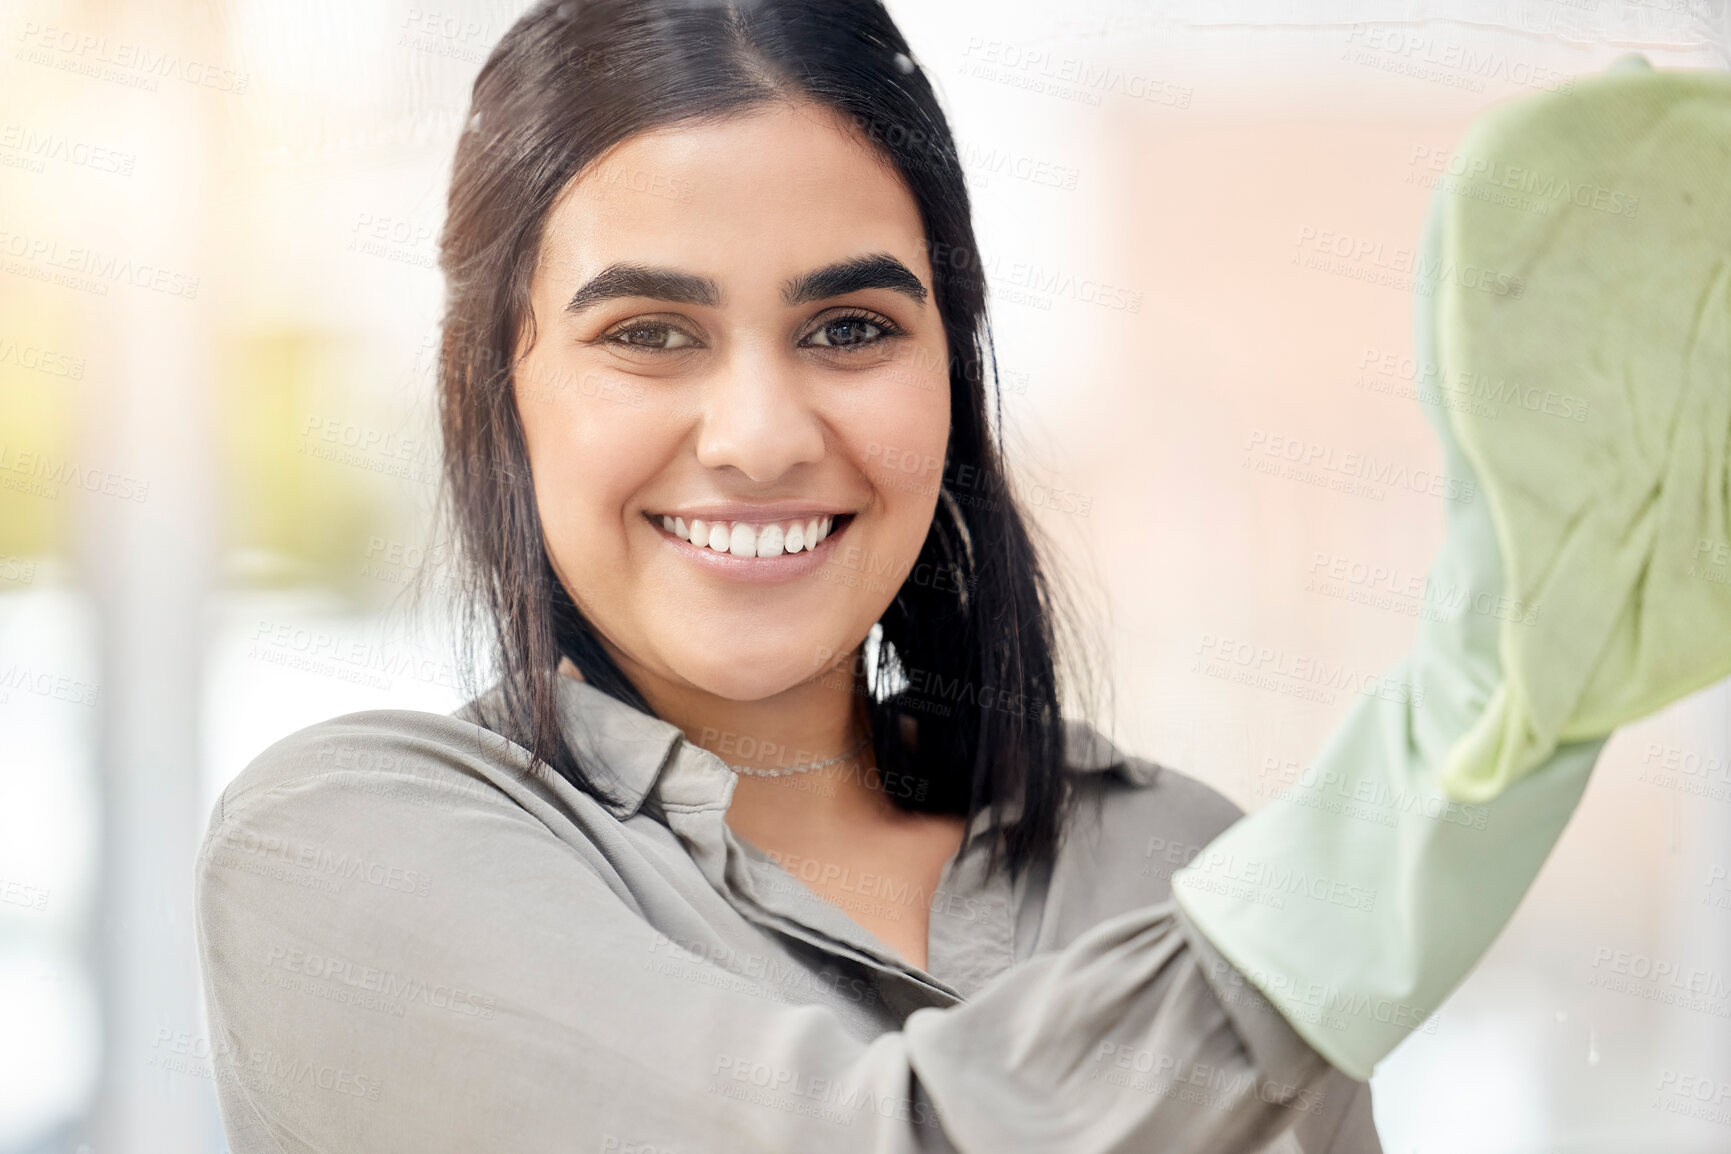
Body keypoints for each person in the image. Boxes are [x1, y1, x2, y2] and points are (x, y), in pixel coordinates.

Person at [194, 1, 1382, 1148]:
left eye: (851, 327)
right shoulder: (344, 854)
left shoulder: (1180, 861)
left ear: (953, 371)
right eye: (649, 333)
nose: (759, 437)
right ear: (491, 386)